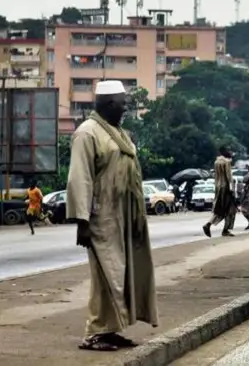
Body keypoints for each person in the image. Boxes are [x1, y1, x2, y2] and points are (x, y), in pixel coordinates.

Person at [66, 80, 158, 352]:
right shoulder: (87, 133)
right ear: (108, 104)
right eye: (122, 103)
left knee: (123, 276)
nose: (126, 107)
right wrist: (82, 222)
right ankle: (94, 333)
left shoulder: (118, 133)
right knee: (106, 276)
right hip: (101, 218)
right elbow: (79, 178)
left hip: (125, 217)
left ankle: (111, 329)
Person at [202, 146, 237, 237]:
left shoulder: (216, 162)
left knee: (219, 209)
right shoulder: (227, 162)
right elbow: (229, 177)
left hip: (218, 188)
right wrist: (232, 190)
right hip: (225, 188)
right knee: (231, 210)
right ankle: (225, 230)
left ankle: (209, 224)